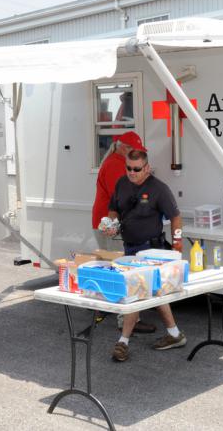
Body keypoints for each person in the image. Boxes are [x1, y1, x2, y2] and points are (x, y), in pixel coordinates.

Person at [102, 149, 186, 362]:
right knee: (155, 293)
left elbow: (176, 217)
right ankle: (175, 334)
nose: (132, 172)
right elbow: (113, 208)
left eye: (136, 169)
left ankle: (123, 342)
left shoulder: (159, 189)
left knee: (136, 292)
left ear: (146, 168)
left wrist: (177, 248)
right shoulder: (122, 183)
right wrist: (111, 224)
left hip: (150, 251)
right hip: (130, 249)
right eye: (128, 168)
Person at [91, 132, 157, 334]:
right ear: (123, 147)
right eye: (133, 151)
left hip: (107, 222)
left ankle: (107, 310)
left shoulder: (118, 162)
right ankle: (127, 320)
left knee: (114, 268)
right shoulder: (114, 165)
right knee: (124, 269)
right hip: (111, 224)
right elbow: (121, 199)